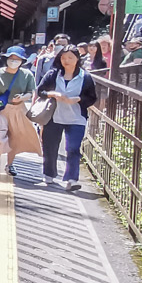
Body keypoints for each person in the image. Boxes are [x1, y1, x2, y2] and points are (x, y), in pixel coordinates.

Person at [37, 46, 98, 190]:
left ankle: (72, 179)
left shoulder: (85, 77)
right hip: (54, 115)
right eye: (63, 58)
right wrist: (53, 94)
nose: (66, 61)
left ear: (77, 58)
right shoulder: (53, 74)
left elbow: (92, 98)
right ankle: (49, 173)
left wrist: (78, 99)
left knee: (73, 148)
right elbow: (41, 91)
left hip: (76, 118)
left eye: (70, 57)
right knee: (50, 146)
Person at [0, 46, 41, 174]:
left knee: (14, 138)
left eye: (17, 59)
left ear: (22, 61)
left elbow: (30, 93)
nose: (13, 61)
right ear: (6, 59)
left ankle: (10, 165)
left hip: (18, 110)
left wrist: (22, 97)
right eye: (11, 58)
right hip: (0, 110)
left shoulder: (27, 75)